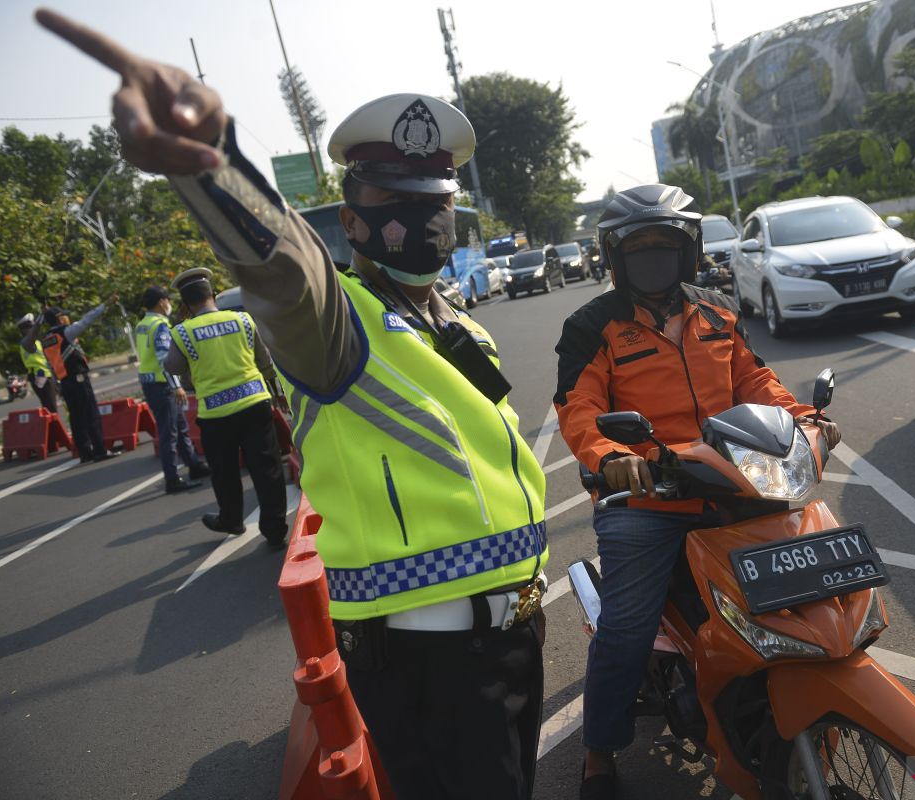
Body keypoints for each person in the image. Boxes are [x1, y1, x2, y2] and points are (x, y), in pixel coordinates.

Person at [34, 12, 549, 798]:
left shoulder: (456, 323)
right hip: (430, 663)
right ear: (350, 221)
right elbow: (280, 263)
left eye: (434, 198)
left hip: (513, 634)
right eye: (391, 200)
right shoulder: (333, 323)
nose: (420, 218)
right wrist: (212, 164)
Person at [553, 184, 841, 800]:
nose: (654, 260)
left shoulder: (715, 310)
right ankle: (599, 751)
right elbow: (577, 410)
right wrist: (612, 459)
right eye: (641, 249)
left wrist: (805, 420)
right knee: (627, 627)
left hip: (735, 480)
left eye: (667, 247)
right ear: (617, 258)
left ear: (688, 253)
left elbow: (754, 379)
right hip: (648, 497)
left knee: (803, 587)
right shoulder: (592, 326)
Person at [163, 268, 287, 547]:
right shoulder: (243, 320)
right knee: (267, 467)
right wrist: (277, 393)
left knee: (225, 472)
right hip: (255, 403)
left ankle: (232, 519)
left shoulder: (183, 332)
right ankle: (275, 530)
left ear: (185, 305)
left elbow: (172, 366)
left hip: (216, 414)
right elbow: (265, 360)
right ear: (214, 295)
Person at [27, 295, 120, 463]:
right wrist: (104, 305)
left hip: (65, 382)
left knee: (76, 418)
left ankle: (85, 453)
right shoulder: (66, 332)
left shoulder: (46, 340)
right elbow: (86, 320)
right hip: (78, 380)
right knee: (91, 414)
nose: (67, 317)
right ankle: (100, 450)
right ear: (58, 318)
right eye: (64, 315)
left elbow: (50, 365)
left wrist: (58, 386)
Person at [135, 285, 210, 493]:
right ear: (161, 302)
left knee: (180, 425)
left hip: (151, 383)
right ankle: (172, 479)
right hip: (162, 385)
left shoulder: (142, 324)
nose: (168, 304)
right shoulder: (159, 325)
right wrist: (176, 386)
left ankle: (194, 465)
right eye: (167, 300)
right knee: (170, 432)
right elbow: (163, 359)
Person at [17, 313, 59, 414]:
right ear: (24, 329)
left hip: (46, 375)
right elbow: (35, 332)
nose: (33, 329)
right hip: (40, 376)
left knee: (50, 406)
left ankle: (53, 428)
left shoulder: (37, 342)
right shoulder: (26, 342)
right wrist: (39, 321)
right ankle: (53, 428)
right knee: (51, 408)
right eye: (30, 327)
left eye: (32, 326)